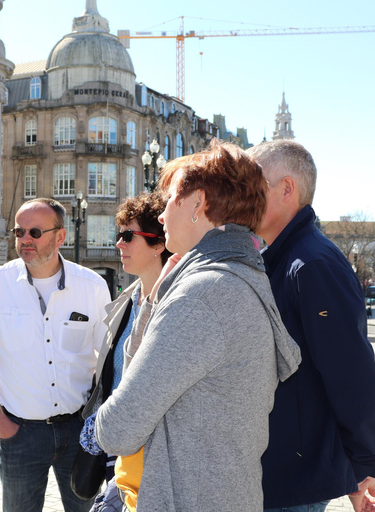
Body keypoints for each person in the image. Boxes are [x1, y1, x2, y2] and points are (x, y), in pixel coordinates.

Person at [95, 140, 301, 511]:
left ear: (197, 204)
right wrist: (156, 302)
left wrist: (156, 305)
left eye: (171, 197)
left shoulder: (200, 297)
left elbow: (116, 430)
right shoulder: (245, 277)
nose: (161, 215)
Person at [247, 139, 375, 512]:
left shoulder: (312, 264)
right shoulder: (283, 258)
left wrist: (360, 465)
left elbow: (352, 375)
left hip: (295, 480)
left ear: (287, 189)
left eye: (253, 186)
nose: (244, 198)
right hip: (279, 471)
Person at [0, 197, 111, 512]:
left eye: (35, 232)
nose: (25, 239)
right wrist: (1, 424)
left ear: (60, 237)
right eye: (19, 232)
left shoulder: (92, 286)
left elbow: (107, 361)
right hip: (20, 433)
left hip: (80, 430)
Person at [79, 193, 171, 510]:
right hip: (116, 450)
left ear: (159, 243)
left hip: (153, 460)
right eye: (119, 235)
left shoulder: (176, 306)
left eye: (129, 236)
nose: (119, 244)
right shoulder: (125, 302)